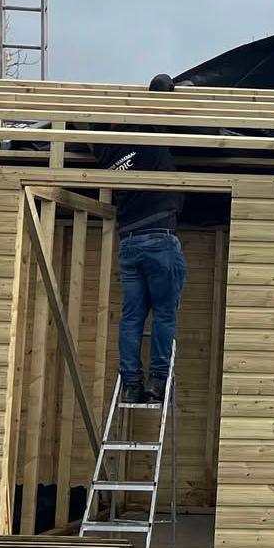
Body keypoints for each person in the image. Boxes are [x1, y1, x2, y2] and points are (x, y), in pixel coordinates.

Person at [106, 74, 187, 403]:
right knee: (164, 314)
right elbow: (162, 87)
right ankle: (156, 380)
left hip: (128, 243)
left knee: (133, 317)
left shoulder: (106, 153)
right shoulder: (145, 131)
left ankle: (130, 383)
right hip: (158, 238)